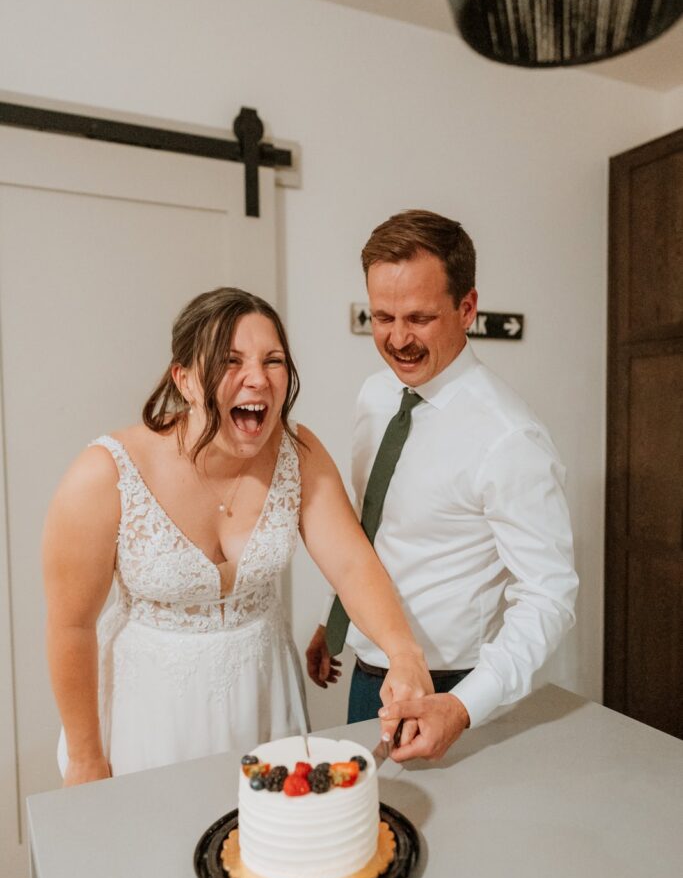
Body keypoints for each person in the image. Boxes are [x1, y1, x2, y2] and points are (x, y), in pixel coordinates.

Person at [44, 287, 432, 786]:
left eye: (273, 361)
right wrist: (85, 758)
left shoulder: (299, 453)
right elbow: (70, 627)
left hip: (264, 697)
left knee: (272, 847)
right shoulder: (105, 473)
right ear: (183, 379)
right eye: (231, 360)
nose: (258, 378)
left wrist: (404, 653)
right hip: (150, 714)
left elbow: (353, 566)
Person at [306, 210, 578, 761]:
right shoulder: (375, 395)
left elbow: (549, 597)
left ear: (467, 309)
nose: (398, 339)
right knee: (369, 833)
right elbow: (375, 525)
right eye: (382, 316)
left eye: (419, 318)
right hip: (368, 670)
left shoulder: (509, 437)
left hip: (450, 690)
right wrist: (336, 620)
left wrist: (462, 706)